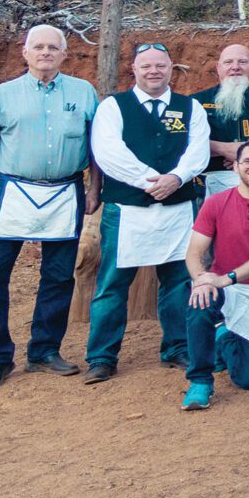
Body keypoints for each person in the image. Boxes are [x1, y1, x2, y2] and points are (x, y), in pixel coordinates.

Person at [0, 25, 100, 389]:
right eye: (38, 47)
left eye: (53, 47)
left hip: (64, 191)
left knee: (57, 277)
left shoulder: (83, 93)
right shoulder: (3, 95)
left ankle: (44, 350)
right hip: (12, 191)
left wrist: (93, 188)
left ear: (63, 54)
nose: (45, 52)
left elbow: (96, 149)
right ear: (25, 53)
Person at [83, 43, 211, 382]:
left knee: (178, 280)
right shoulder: (113, 107)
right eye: (146, 66)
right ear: (134, 70)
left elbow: (197, 149)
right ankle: (102, 356)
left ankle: (177, 346)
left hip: (177, 207)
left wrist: (177, 178)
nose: (153, 71)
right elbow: (108, 151)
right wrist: (147, 181)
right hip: (127, 208)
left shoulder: (190, 107)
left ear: (172, 68)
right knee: (112, 283)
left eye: (160, 66)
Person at [177, 139, 249, 410]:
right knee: (200, 298)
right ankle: (200, 382)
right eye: (248, 161)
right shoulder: (216, 203)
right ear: (235, 167)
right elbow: (194, 253)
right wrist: (201, 279)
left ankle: (221, 335)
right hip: (222, 288)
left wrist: (225, 277)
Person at [195, 44, 249, 174]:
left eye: (243, 62)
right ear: (218, 67)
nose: (235, 67)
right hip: (214, 177)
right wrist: (223, 149)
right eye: (228, 62)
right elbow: (186, 141)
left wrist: (246, 155)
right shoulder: (197, 101)